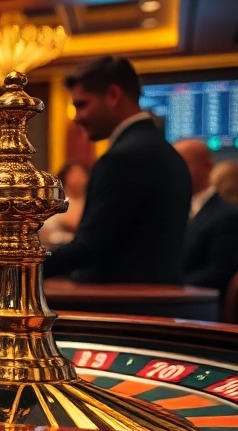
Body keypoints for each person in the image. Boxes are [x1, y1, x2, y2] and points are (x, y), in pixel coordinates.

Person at [42, 56, 190, 284]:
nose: (77, 118)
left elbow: (90, 247)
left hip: (123, 306)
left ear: (113, 95)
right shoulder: (162, 149)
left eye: (81, 105)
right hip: (156, 299)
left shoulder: (123, 158)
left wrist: (12, 267)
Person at [175, 139, 238, 293]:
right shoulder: (173, 209)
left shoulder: (227, 216)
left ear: (206, 166)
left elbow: (219, 272)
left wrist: (172, 286)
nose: (175, 170)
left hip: (198, 302)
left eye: (182, 163)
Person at [40, 161, 89, 247]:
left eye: (81, 174)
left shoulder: (91, 200)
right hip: (54, 246)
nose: (77, 178)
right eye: (73, 174)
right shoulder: (54, 199)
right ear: (65, 176)